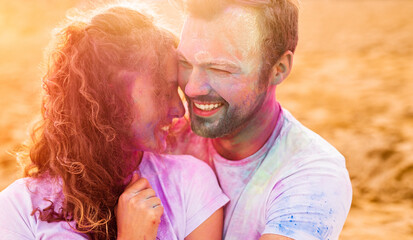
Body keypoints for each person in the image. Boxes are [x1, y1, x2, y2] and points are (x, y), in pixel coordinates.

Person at [0, 6, 228, 240]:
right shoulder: (17, 209)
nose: (179, 110)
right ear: (110, 93)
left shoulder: (189, 184)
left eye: (177, 92)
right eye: (162, 91)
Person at [169, 0, 353, 239]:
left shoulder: (311, 173)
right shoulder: (162, 137)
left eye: (221, 70)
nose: (192, 89)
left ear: (279, 68)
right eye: (184, 63)